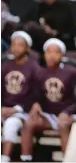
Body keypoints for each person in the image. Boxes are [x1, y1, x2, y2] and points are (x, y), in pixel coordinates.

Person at [20, 38, 76, 160]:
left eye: (56, 52)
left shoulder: (72, 72)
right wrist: (36, 104)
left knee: (63, 124)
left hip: (69, 114)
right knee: (29, 123)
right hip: (49, 115)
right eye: (48, 52)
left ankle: (68, 159)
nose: (51, 56)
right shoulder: (40, 73)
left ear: (62, 55)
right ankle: (25, 158)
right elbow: (36, 94)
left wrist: (67, 112)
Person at [1, 32, 40, 163]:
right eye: (13, 45)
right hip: (4, 108)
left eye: (20, 45)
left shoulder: (33, 67)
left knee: (11, 124)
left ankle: (5, 158)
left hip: (23, 111)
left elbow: (35, 94)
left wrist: (16, 109)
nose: (16, 48)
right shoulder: (5, 65)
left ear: (27, 48)